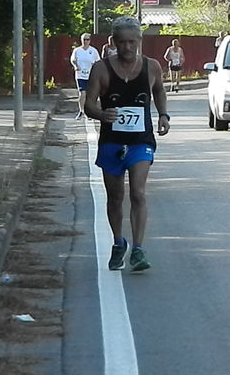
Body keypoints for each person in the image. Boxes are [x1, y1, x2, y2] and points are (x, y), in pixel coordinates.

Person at [85, 16, 170, 272]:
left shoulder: (151, 67)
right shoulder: (101, 69)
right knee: (115, 197)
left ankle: (139, 249)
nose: (128, 48)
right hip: (112, 141)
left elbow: (159, 91)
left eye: (133, 42)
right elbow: (88, 104)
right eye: (122, 43)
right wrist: (102, 114)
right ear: (113, 43)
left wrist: (163, 115)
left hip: (140, 141)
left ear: (140, 41)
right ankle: (118, 242)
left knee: (138, 192)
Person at [70, 33, 100, 119]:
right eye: (84, 39)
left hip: (91, 75)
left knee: (90, 95)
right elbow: (73, 60)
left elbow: (98, 62)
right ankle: (81, 110)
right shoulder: (77, 50)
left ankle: (89, 112)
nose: (85, 41)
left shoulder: (93, 51)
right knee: (82, 93)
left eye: (87, 39)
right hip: (80, 75)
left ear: (90, 41)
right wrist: (76, 66)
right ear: (81, 40)